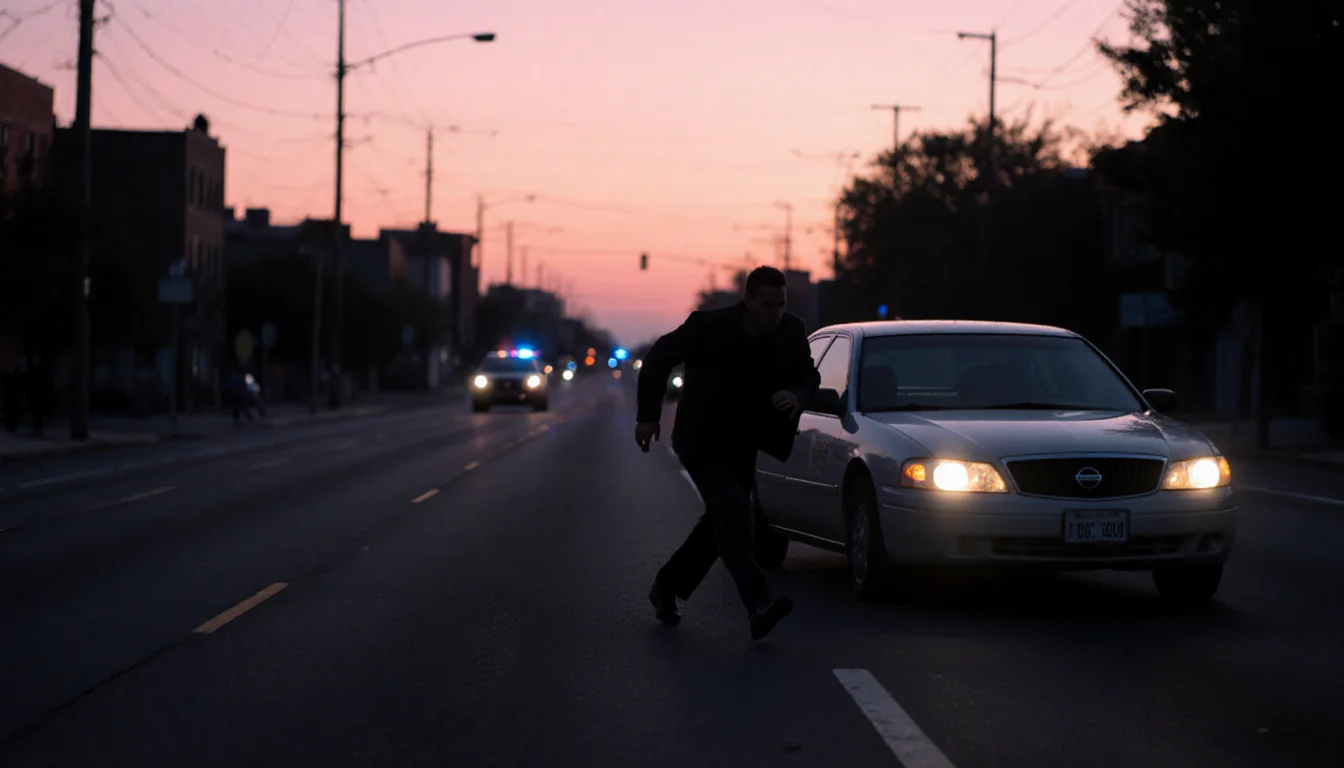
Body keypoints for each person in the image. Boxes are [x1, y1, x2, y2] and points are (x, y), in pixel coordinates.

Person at [634, 266, 820, 641]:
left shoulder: (790, 331)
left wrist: (797, 395)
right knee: (735, 512)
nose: (775, 313)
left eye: (780, 305)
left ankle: (666, 587)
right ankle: (758, 603)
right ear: (747, 300)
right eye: (767, 305)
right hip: (699, 439)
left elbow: (809, 375)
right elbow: (658, 358)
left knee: (722, 521)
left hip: (743, 441)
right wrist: (647, 417)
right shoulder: (708, 327)